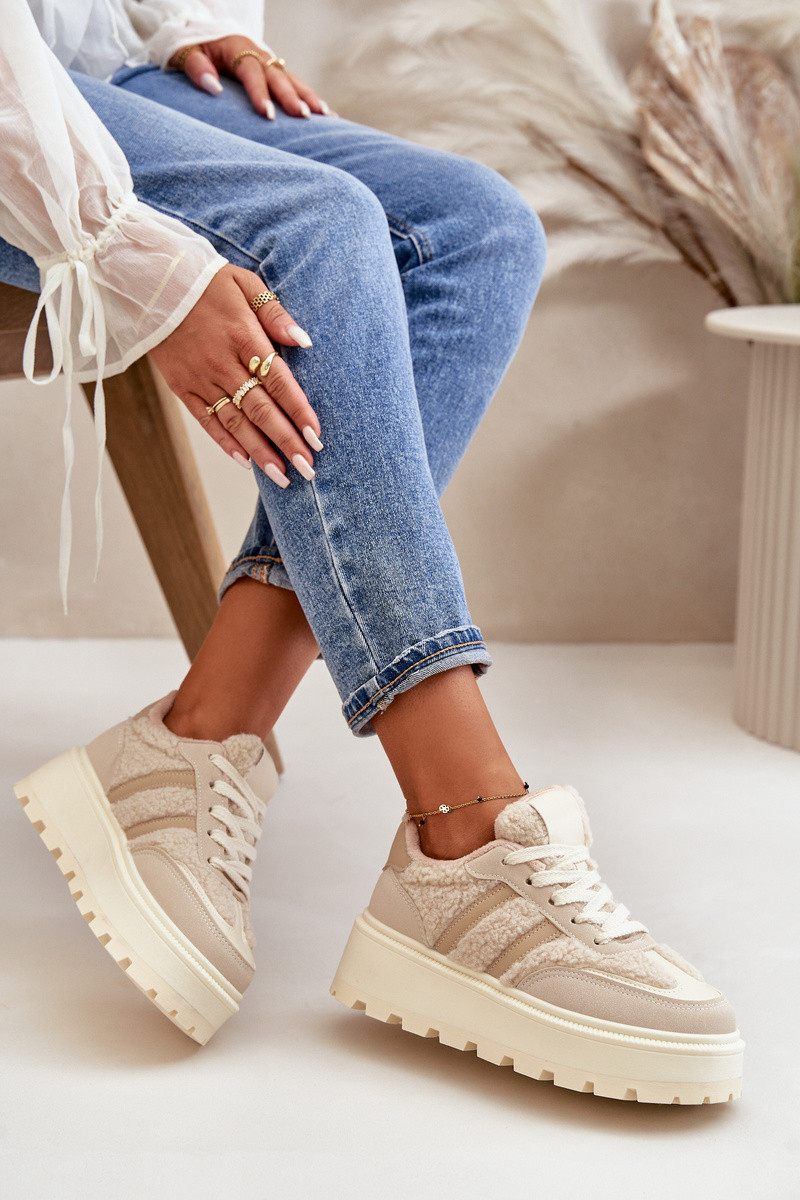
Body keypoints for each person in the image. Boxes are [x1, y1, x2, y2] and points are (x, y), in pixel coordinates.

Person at [6, 0, 742, 1105]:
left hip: (79, 60)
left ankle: (202, 731)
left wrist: (167, 19)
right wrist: (130, 255)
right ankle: (466, 829)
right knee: (315, 229)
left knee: (475, 230)